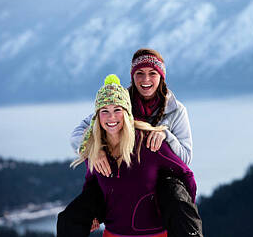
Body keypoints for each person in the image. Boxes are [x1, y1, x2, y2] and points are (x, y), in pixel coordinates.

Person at [67, 48, 203, 236]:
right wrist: (93, 150)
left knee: (176, 198)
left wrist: (164, 134)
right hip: (119, 172)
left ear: (161, 77)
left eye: (152, 73)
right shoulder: (118, 103)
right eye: (140, 73)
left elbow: (185, 158)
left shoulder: (176, 110)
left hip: (160, 179)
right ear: (132, 77)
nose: (145, 80)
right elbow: (83, 131)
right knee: (71, 217)